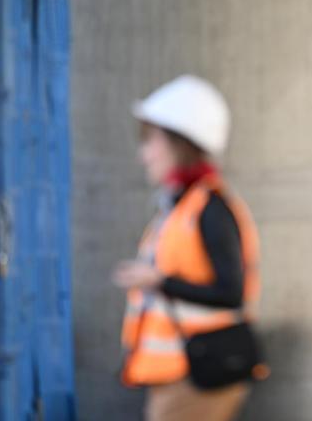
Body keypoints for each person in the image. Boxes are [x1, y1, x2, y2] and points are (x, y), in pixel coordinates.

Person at [113, 75, 261, 421]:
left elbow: (230, 292)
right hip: (184, 372)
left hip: (198, 374)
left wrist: (157, 280)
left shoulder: (210, 208)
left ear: (180, 145)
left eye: (151, 141)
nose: (143, 154)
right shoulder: (182, 208)